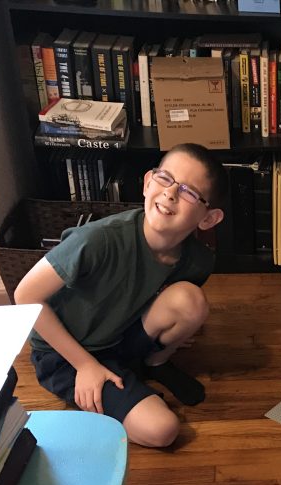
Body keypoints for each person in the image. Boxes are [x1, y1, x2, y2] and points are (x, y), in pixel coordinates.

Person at [14, 143, 227, 448]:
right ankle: (105, 383)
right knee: (163, 430)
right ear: (147, 183)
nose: (170, 194)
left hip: (120, 337)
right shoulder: (99, 240)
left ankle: (154, 364)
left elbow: (172, 301)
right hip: (64, 354)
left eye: (189, 191)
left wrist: (174, 331)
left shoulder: (198, 259)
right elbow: (25, 295)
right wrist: (85, 365)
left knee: (190, 301)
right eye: (165, 179)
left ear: (209, 218)